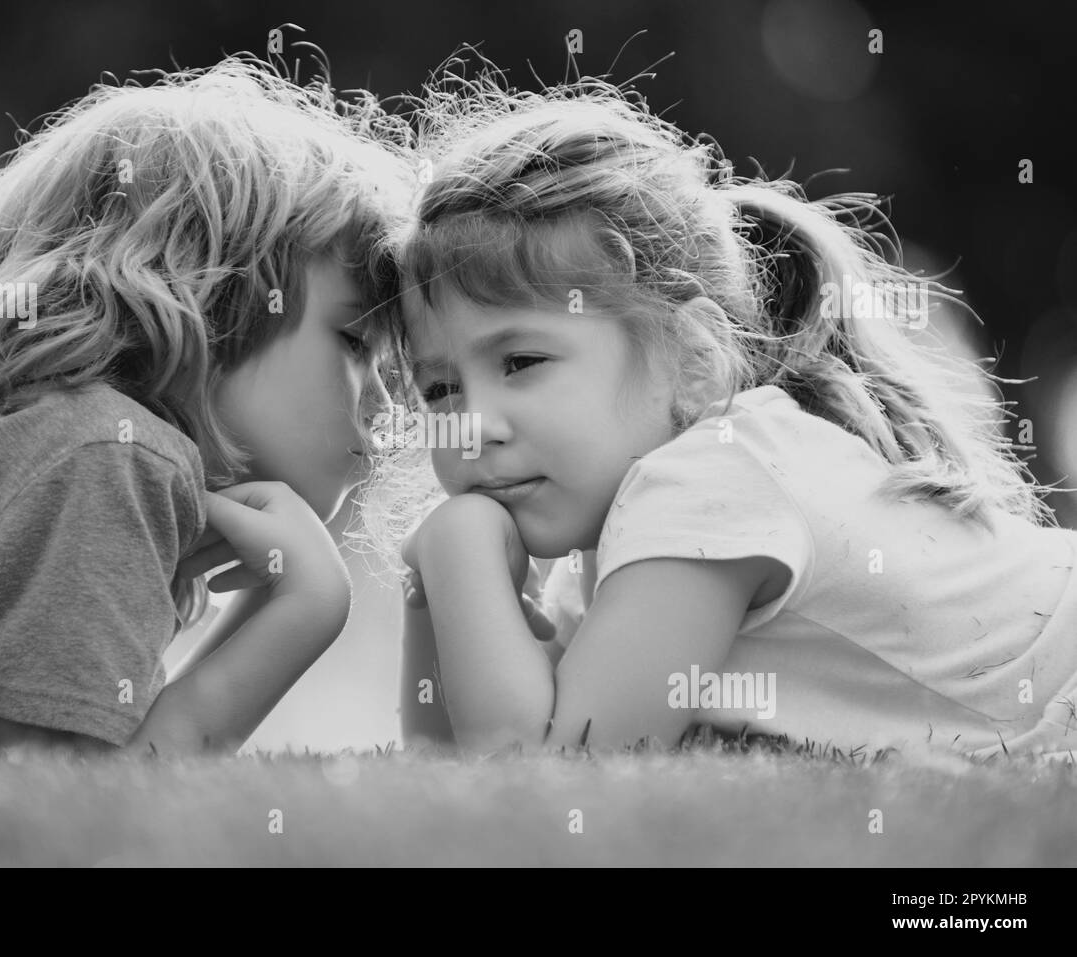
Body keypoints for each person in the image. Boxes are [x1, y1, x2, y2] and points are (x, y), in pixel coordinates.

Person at [390, 71, 1077, 761]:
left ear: (693, 359)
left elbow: (550, 769)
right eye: (440, 389)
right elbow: (447, 769)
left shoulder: (711, 477)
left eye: (522, 362)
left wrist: (459, 551)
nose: (471, 422)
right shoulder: (610, 565)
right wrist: (435, 591)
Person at [0, 56, 415, 757]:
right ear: (208, 300)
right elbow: (66, 803)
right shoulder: (111, 455)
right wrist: (302, 609)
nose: (384, 402)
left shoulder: (62, 446)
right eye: (355, 341)